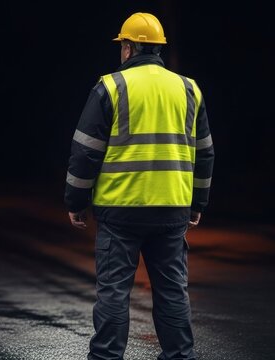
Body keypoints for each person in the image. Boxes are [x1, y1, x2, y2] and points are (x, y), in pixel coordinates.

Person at [64, 12, 215, 360]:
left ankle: (106, 357)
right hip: (172, 210)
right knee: (172, 291)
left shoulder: (111, 87)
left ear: (128, 48)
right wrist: (198, 204)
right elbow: (205, 153)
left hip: (121, 211)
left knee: (114, 293)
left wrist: (76, 201)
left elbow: (85, 150)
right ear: (158, 49)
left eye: (122, 46)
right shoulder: (188, 88)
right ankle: (180, 356)